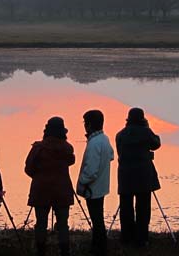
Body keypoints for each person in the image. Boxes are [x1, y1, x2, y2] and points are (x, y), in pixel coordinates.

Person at [25, 117, 75, 256]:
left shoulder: (38, 148)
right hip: (62, 190)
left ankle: (41, 251)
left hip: (41, 190)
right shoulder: (67, 148)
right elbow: (71, 160)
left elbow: (28, 168)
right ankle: (64, 251)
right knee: (63, 224)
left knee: (41, 223)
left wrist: (40, 175)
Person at [115, 107, 161, 247]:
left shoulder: (120, 135)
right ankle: (142, 238)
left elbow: (119, 152)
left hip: (125, 176)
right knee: (143, 208)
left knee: (126, 208)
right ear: (142, 119)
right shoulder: (146, 132)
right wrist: (147, 127)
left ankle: (126, 238)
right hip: (143, 176)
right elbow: (156, 144)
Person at [76, 110, 115, 256]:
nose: (84, 126)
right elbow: (111, 155)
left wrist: (82, 181)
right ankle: (99, 244)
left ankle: (99, 247)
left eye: (85, 123)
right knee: (98, 217)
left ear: (89, 125)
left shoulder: (93, 143)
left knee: (97, 219)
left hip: (93, 188)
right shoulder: (104, 139)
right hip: (102, 186)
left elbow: (91, 170)